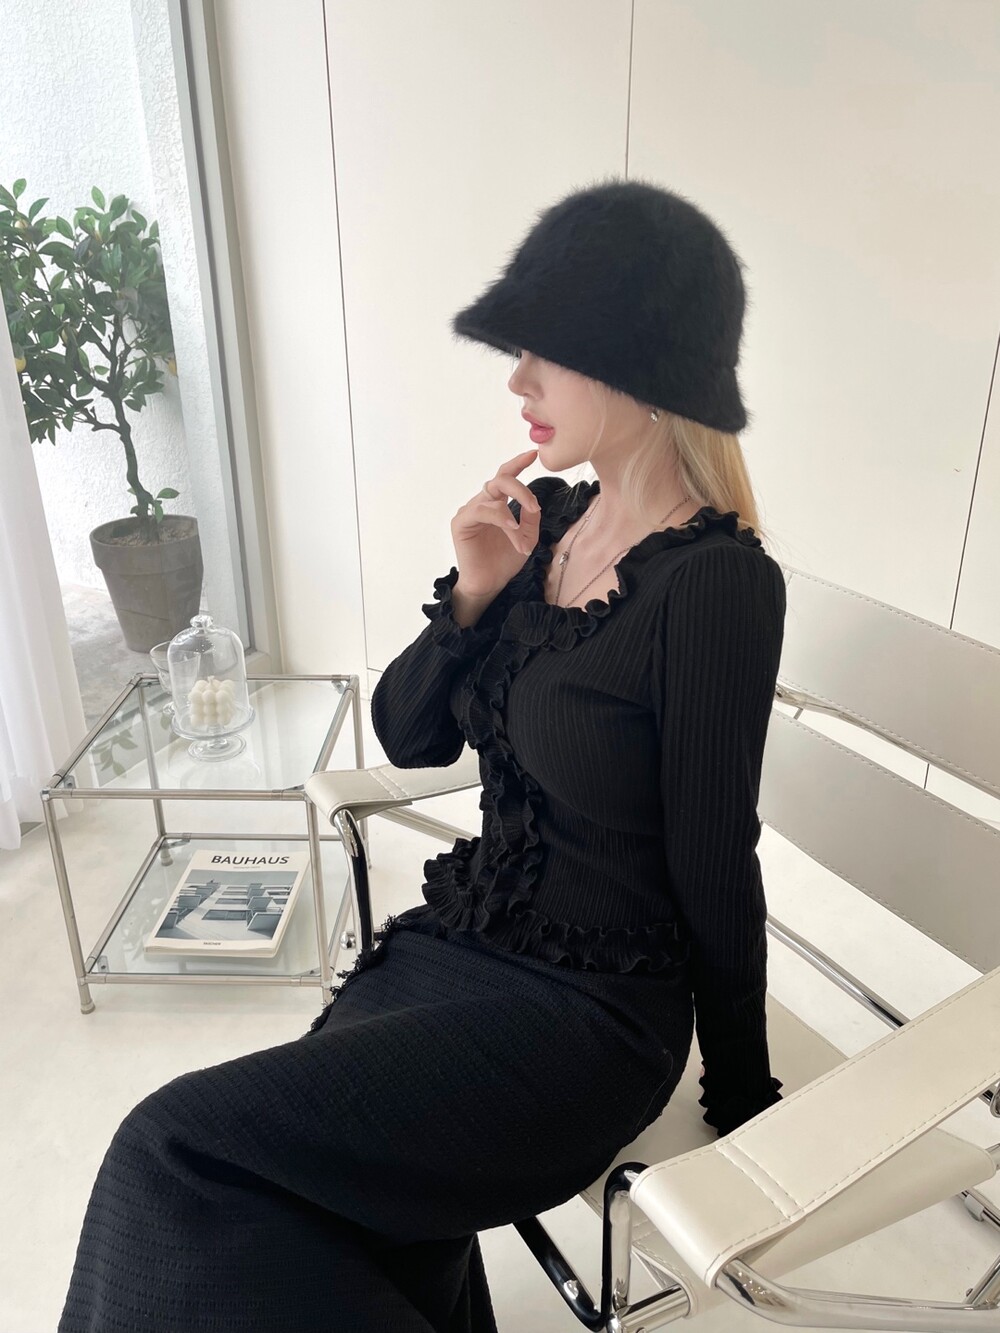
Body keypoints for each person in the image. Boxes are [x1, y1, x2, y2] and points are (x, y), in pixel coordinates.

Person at [58, 177, 785, 1332]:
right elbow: (409, 734)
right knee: (296, 1205)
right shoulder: (548, 528)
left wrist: (740, 1092)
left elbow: (714, 858)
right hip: (460, 955)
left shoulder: (715, 587)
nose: (518, 381)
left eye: (548, 350)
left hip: (588, 1019)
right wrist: (477, 590)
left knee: (174, 1152)